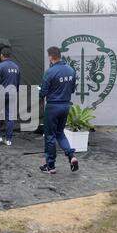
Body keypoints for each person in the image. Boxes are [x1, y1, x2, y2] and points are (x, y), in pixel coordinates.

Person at [39, 46, 79, 174]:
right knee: (60, 133)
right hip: (65, 105)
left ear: (50, 56)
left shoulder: (50, 72)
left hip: (52, 107)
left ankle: (51, 166)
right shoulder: (71, 70)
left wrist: (40, 92)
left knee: (50, 136)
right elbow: (72, 89)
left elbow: (43, 92)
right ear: (60, 55)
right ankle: (71, 156)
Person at [0, 47, 20, 146]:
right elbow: (18, 83)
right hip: (12, 94)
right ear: (10, 55)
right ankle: (9, 139)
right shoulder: (16, 67)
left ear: (1, 55)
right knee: (10, 116)